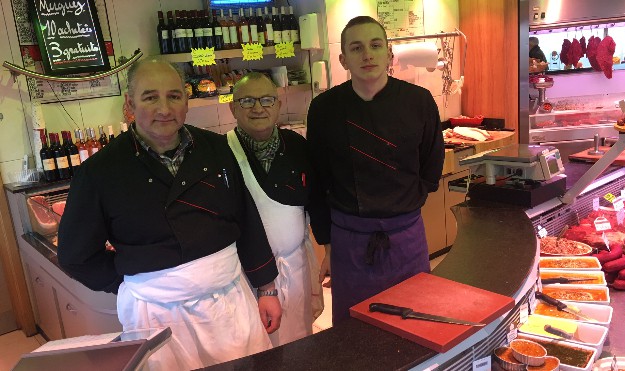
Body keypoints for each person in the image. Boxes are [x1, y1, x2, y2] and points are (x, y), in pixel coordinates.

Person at [57, 58, 281, 370]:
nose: (164, 108)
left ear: (186, 101)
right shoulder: (99, 172)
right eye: (151, 97)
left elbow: (246, 219)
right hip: (155, 314)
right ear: (129, 105)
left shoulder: (216, 148)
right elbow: (74, 255)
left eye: (174, 96)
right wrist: (131, 280)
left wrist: (267, 287)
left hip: (229, 302)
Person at [306, 16, 444, 324]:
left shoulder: (418, 101)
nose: (367, 55)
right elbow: (317, 181)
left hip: (405, 236)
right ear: (343, 59)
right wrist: (328, 246)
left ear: (389, 54)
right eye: (356, 48)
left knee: (415, 324)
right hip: (350, 241)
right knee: (355, 332)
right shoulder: (324, 108)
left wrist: (405, 203)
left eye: (375, 45)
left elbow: (432, 166)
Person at [227, 72, 323, 346]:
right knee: (258, 348)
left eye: (266, 99)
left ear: (278, 104)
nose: (258, 108)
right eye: (247, 101)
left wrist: (328, 248)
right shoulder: (222, 152)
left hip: (295, 266)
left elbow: (315, 201)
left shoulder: (296, 146)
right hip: (246, 275)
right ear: (233, 108)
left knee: (299, 341)